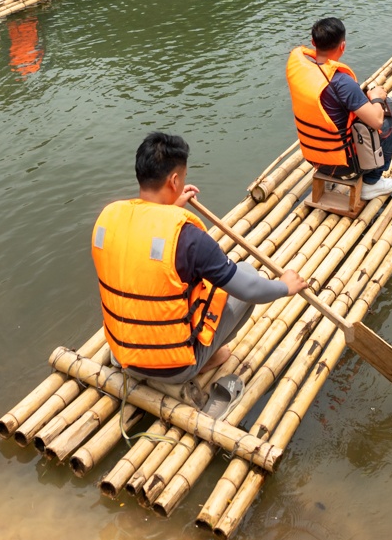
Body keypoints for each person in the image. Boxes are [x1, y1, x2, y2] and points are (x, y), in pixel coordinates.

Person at [91, 131, 305, 390]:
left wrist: (171, 207)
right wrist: (285, 287)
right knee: (248, 273)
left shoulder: (107, 218)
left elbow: (141, 239)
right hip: (173, 369)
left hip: (122, 353)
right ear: (174, 180)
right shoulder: (188, 238)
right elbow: (248, 289)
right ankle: (204, 360)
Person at [288, 17, 392, 200]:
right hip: (345, 166)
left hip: (315, 159)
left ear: (313, 43)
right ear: (342, 46)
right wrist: (376, 98)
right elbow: (376, 121)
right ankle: (372, 182)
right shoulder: (341, 82)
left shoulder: (301, 72)